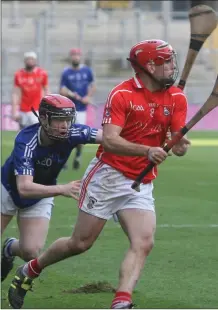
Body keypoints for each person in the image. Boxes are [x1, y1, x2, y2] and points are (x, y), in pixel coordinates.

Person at [8, 40, 191, 309]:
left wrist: (180, 144)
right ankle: (31, 269)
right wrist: (147, 151)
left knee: (144, 241)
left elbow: (177, 144)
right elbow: (110, 140)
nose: (172, 67)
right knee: (80, 243)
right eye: (165, 62)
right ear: (148, 66)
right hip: (107, 176)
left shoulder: (176, 97)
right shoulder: (122, 95)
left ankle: (121, 301)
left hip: (141, 182)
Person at [1, 94, 102, 284]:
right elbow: (24, 188)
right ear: (44, 119)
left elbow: (110, 138)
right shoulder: (26, 141)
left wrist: (148, 145)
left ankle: (9, 248)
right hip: (8, 189)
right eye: (59, 120)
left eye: (68, 120)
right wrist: (62, 189)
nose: (65, 126)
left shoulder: (73, 132)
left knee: (31, 251)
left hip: (43, 192)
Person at [60, 48, 96, 169]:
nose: (75, 57)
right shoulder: (66, 72)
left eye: (77, 55)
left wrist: (87, 96)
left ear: (80, 57)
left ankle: (78, 156)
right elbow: (62, 90)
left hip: (81, 109)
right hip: (68, 108)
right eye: (73, 55)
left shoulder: (87, 71)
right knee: (65, 134)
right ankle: (63, 159)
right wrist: (71, 94)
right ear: (70, 57)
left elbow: (93, 86)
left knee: (80, 136)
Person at [12, 51, 49, 129]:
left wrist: (47, 108)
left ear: (35, 61)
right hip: (23, 109)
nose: (30, 61)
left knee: (36, 132)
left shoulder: (42, 73)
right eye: (28, 59)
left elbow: (47, 90)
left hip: (36, 109)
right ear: (24, 61)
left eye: (32, 59)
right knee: (22, 133)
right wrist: (14, 111)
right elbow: (16, 93)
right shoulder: (18, 74)